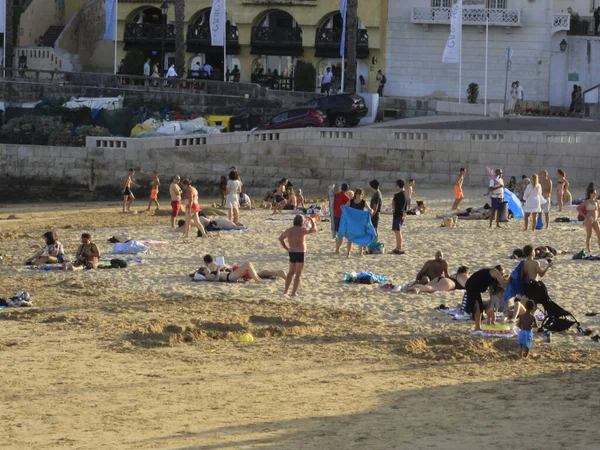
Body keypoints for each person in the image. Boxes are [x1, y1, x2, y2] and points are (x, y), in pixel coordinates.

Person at [279, 215, 318, 297]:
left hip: (292, 252)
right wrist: (312, 220)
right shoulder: (302, 230)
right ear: (302, 222)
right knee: (298, 274)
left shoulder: (289, 230)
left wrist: (286, 247)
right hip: (300, 252)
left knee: (290, 272)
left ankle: (286, 291)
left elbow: (280, 238)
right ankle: (294, 293)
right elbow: (314, 229)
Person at [464, 266, 507, 332]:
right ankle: (477, 327)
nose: (502, 276)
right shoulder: (495, 272)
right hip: (472, 286)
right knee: (478, 307)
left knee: (480, 307)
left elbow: (491, 291)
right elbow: (503, 284)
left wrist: (492, 303)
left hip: (475, 288)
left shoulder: (492, 278)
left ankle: (478, 326)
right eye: (502, 274)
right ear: (499, 270)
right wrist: (511, 277)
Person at [344, 188, 373, 257]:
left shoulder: (363, 202)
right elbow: (345, 207)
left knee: (361, 238)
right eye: (359, 194)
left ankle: (360, 253)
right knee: (350, 238)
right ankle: (348, 253)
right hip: (352, 222)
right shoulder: (351, 201)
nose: (360, 195)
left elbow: (369, 209)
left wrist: (371, 210)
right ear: (356, 194)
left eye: (361, 194)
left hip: (361, 222)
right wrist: (343, 207)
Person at [196, 263, 267, 284]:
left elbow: (219, 276)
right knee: (247, 265)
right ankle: (258, 280)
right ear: (203, 271)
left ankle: (258, 279)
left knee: (249, 265)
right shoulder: (207, 276)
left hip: (230, 275)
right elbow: (216, 279)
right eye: (205, 268)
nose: (207, 268)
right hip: (230, 276)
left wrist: (222, 270)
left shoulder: (209, 273)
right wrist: (218, 269)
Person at [392, 179, 408, 255]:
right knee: (397, 231)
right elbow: (406, 206)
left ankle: (399, 248)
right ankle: (397, 247)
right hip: (402, 214)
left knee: (397, 232)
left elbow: (393, 204)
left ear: (398, 185)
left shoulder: (397, 195)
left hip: (397, 214)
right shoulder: (405, 194)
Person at [334, 183, 351, 253]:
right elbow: (348, 209)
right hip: (342, 218)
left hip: (335, 216)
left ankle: (337, 248)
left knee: (338, 233)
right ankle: (337, 249)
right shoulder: (347, 198)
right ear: (347, 189)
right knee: (341, 234)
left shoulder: (336, 195)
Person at [581, 188, 600, 253]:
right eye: (594, 193)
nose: (595, 194)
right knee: (589, 234)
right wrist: (585, 216)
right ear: (590, 194)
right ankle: (588, 249)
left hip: (595, 219)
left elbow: (598, 210)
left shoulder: (597, 201)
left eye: (596, 193)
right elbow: (578, 208)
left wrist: (598, 217)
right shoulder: (587, 202)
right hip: (589, 218)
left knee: (599, 234)